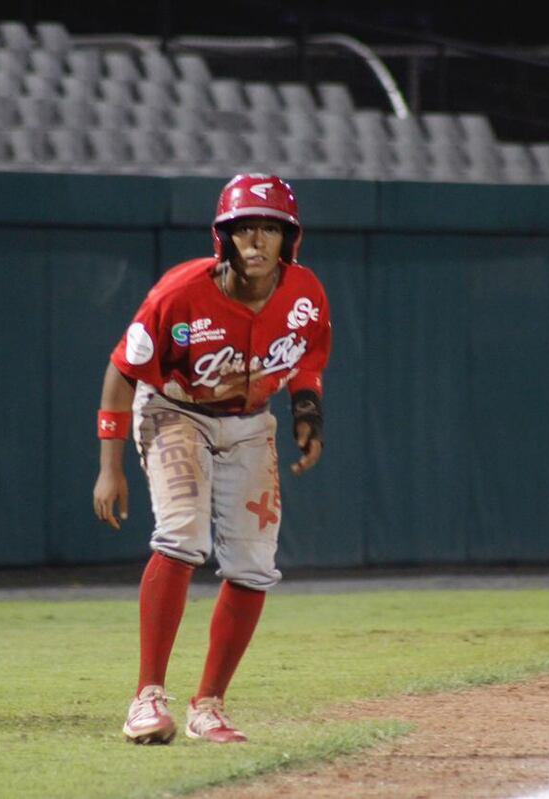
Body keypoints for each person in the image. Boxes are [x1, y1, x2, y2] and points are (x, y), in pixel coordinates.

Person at [92, 174, 332, 744]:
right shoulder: (180, 292)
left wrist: (308, 414)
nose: (256, 241)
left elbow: (304, 360)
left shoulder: (305, 294)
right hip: (176, 412)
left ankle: (210, 706)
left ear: (288, 239)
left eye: (269, 229)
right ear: (222, 236)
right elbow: (123, 371)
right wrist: (110, 466)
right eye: (243, 228)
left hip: (250, 424)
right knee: (181, 536)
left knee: (253, 564)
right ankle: (146, 699)